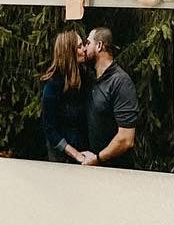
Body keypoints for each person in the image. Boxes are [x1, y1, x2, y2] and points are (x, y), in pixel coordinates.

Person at [79, 27, 139, 167]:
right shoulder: (93, 79)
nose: (84, 48)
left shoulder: (120, 82)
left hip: (116, 170)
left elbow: (126, 139)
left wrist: (98, 159)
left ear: (99, 46)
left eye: (87, 43)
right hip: (96, 167)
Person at [39, 30, 90, 163]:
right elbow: (50, 130)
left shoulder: (84, 77)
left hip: (83, 151)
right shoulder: (52, 86)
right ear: (69, 52)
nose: (84, 49)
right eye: (79, 46)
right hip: (61, 156)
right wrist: (76, 154)